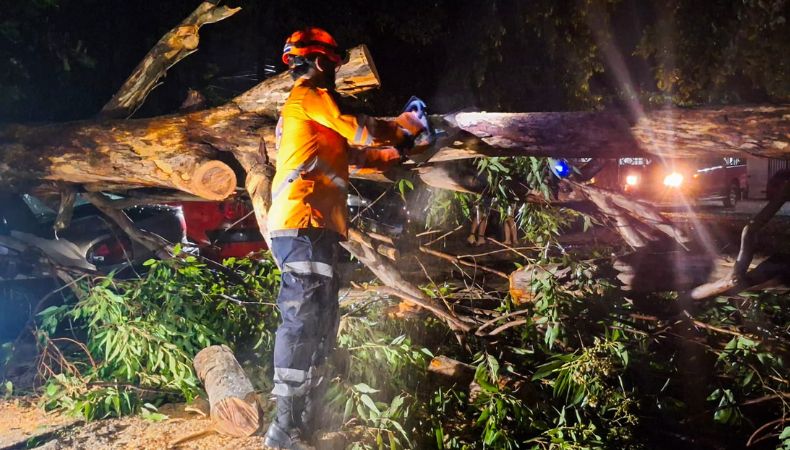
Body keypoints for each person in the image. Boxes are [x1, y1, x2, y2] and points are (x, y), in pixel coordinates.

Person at [264, 27, 426, 449]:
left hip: (316, 226)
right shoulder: (310, 95)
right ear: (321, 62)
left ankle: (304, 422)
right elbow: (358, 128)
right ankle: (282, 429)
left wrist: (395, 152)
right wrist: (405, 125)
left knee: (321, 322)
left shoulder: (311, 114)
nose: (335, 72)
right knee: (302, 320)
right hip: (303, 222)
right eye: (334, 64)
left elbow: (352, 153)